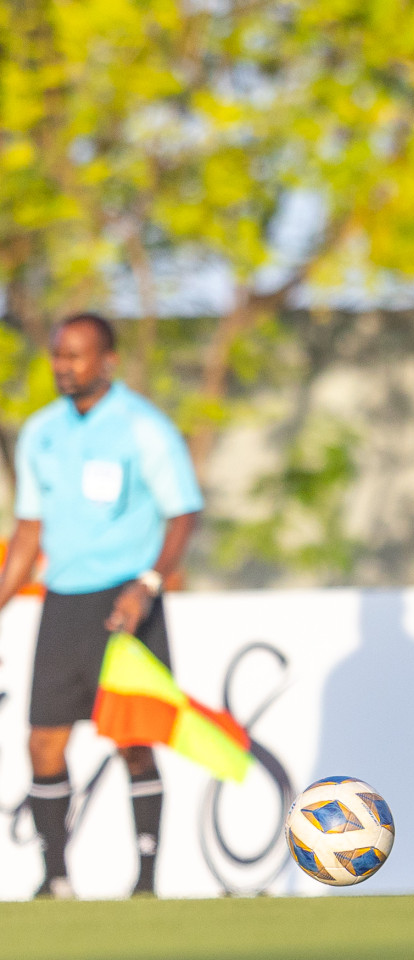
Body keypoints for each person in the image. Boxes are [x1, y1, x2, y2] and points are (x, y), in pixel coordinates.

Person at [0, 314, 204, 898]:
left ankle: (145, 883)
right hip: (64, 603)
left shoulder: (145, 428)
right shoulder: (41, 432)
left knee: (133, 741)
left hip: (127, 601)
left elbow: (182, 511)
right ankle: (55, 878)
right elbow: (27, 533)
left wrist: (148, 583)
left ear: (107, 360)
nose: (65, 366)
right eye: (58, 356)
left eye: (77, 356)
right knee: (43, 740)